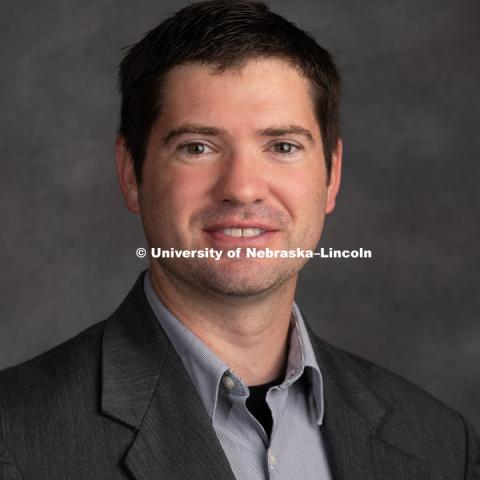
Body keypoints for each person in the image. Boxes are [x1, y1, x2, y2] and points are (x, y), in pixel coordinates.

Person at [0, 1, 478, 478]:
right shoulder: (16, 436)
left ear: (331, 176)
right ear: (131, 173)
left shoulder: (438, 442)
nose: (242, 187)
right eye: (197, 147)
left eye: (283, 146)